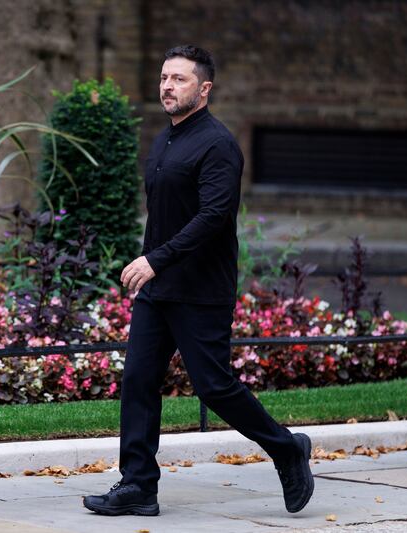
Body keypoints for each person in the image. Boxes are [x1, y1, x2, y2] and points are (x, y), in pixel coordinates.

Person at [83, 45, 314, 517]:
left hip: (200, 289)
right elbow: (165, 214)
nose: (167, 86)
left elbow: (213, 217)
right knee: (138, 380)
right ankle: (138, 486)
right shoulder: (167, 139)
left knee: (213, 386)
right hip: (159, 288)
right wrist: (153, 267)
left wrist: (155, 260)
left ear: (204, 89)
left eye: (179, 79)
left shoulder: (218, 145)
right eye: (164, 77)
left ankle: (287, 448)